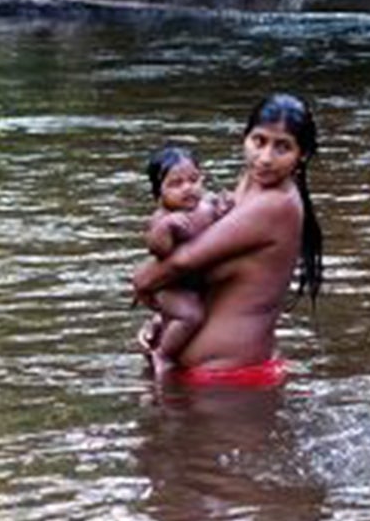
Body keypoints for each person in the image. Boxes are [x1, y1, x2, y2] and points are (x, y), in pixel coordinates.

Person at [129, 92, 323, 388]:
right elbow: (220, 272)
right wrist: (166, 320)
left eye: (282, 147)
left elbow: (186, 260)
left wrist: (142, 280)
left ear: (302, 155)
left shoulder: (276, 204)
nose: (265, 158)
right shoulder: (251, 181)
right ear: (244, 137)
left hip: (230, 380)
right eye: (259, 141)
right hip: (213, 379)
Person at [136, 144, 232, 373]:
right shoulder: (162, 218)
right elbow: (159, 251)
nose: (188, 188)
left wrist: (224, 209)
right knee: (191, 316)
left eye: (193, 179)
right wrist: (166, 229)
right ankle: (163, 355)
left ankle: (161, 325)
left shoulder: (206, 204)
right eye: (176, 184)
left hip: (198, 282)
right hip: (172, 288)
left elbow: (221, 226)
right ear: (159, 193)